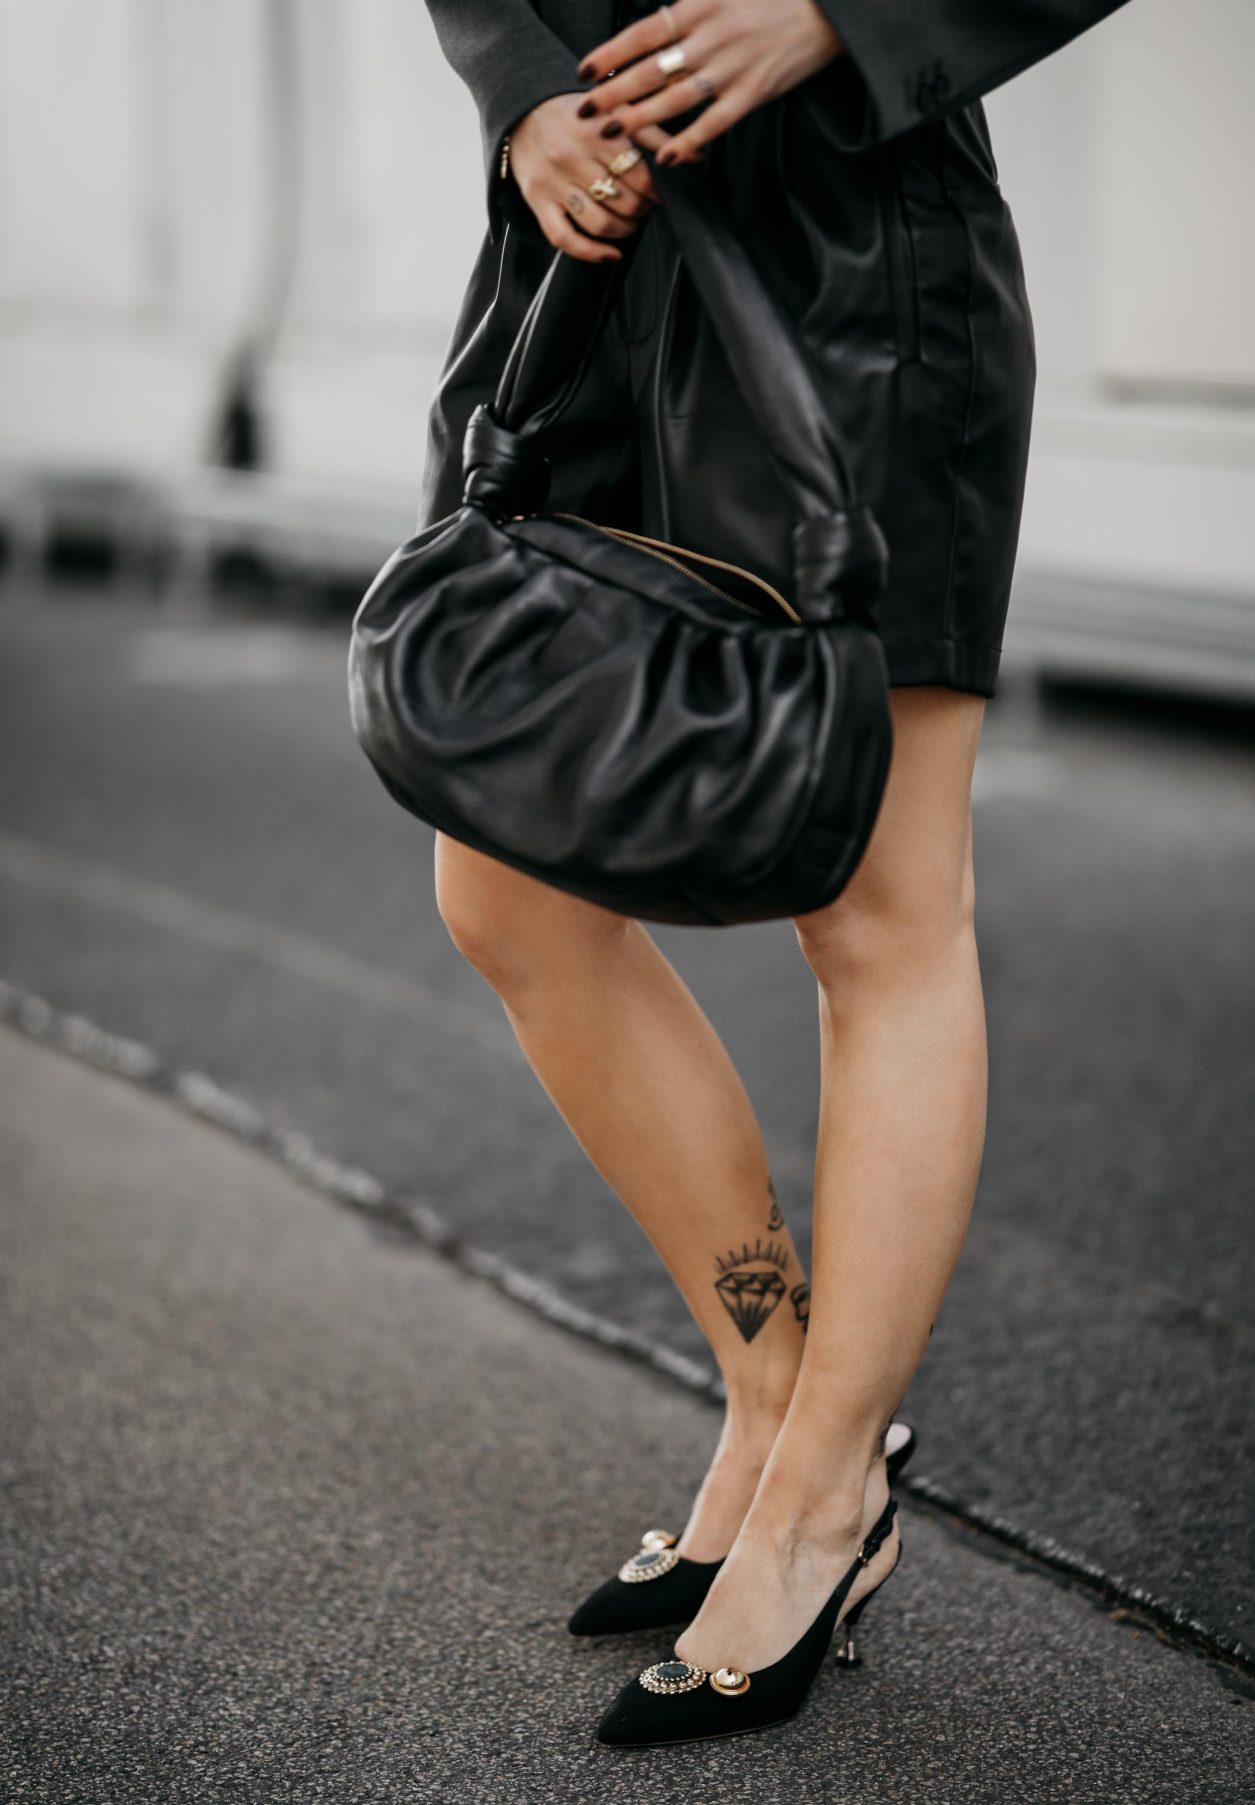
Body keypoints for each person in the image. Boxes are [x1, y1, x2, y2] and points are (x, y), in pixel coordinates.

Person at [419, 0, 1132, 1748]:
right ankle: (770, 1385)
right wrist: (518, 93)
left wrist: (840, 17)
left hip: (855, 263)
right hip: (588, 244)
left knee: (881, 915)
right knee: (503, 888)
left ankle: (819, 1490)